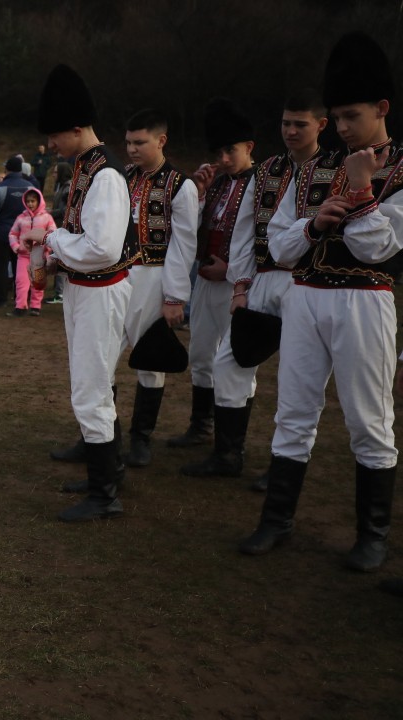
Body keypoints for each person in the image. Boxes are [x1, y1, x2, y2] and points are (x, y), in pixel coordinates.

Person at [240, 33, 403, 572]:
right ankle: (277, 518)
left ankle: (372, 533)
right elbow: (279, 244)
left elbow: (377, 247)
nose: (341, 127)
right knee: (292, 413)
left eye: (352, 115)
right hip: (305, 297)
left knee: (368, 419)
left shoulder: (401, 167)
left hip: (365, 300)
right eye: (335, 116)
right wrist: (314, 223)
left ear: (382, 108)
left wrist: (358, 195)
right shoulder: (311, 168)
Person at [182, 92, 327, 484]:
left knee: (299, 382)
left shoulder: (336, 168)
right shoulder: (267, 172)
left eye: (300, 124)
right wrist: (242, 285)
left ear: (320, 125)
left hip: (309, 280)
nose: (292, 131)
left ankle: (285, 466)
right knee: (229, 363)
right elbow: (246, 232)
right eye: (286, 123)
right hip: (262, 277)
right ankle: (228, 454)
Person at [39, 63, 136, 522]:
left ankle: (104, 495)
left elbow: (101, 247)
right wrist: (60, 251)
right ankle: (109, 471)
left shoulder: (107, 175)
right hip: (83, 290)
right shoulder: (85, 167)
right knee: (90, 385)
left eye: (55, 135)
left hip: (102, 291)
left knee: (91, 391)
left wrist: (54, 240)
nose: (50, 143)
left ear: (77, 128)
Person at [166, 99, 257, 450]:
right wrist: (198, 194)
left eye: (230, 150)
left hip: (241, 285)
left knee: (237, 360)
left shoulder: (263, 184)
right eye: (218, 151)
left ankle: (231, 437)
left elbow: (262, 240)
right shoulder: (217, 183)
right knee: (202, 353)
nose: (222, 158)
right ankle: (201, 426)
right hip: (206, 280)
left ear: (248, 147)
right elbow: (193, 228)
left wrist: (232, 271)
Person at [114, 109, 198, 468]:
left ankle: (141, 438)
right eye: (129, 142)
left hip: (154, 277)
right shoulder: (120, 178)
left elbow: (184, 245)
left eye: (140, 142)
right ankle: (102, 434)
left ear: (161, 140)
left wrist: (175, 296)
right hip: (116, 277)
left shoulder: (182, 186)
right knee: (102, 354)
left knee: (149, 360)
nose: (132, 149)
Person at [0, 156, 34, 307]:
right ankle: (24, 297)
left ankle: (0, 298)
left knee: (0, 267)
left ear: (7, 169)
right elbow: (38, 212)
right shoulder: (30, 187)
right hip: (24, 236)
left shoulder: (0, 188)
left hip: (2, 235)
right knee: (23, 267)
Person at [7, 187, 55, 316]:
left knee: (38, 282)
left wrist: (48, 248)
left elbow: (53, 234)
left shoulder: (47, 218)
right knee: (21, 281)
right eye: (28, 201)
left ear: (39, 201)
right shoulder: (21, 218)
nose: (30, 204)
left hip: (40, 256)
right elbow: (12, 234)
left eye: (33, 201)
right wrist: (17, 247)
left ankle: (35, 306)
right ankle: (20, 306)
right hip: (23, 256)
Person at [46, 162, 73, 301]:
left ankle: (60, 293)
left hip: (64, 229)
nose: (53, 175)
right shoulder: (62, 187)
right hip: (58, 227)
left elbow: (66, 210)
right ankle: (58, 290)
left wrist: (51, 212)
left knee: (59, 257)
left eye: (56, 172)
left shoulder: (68, 188)